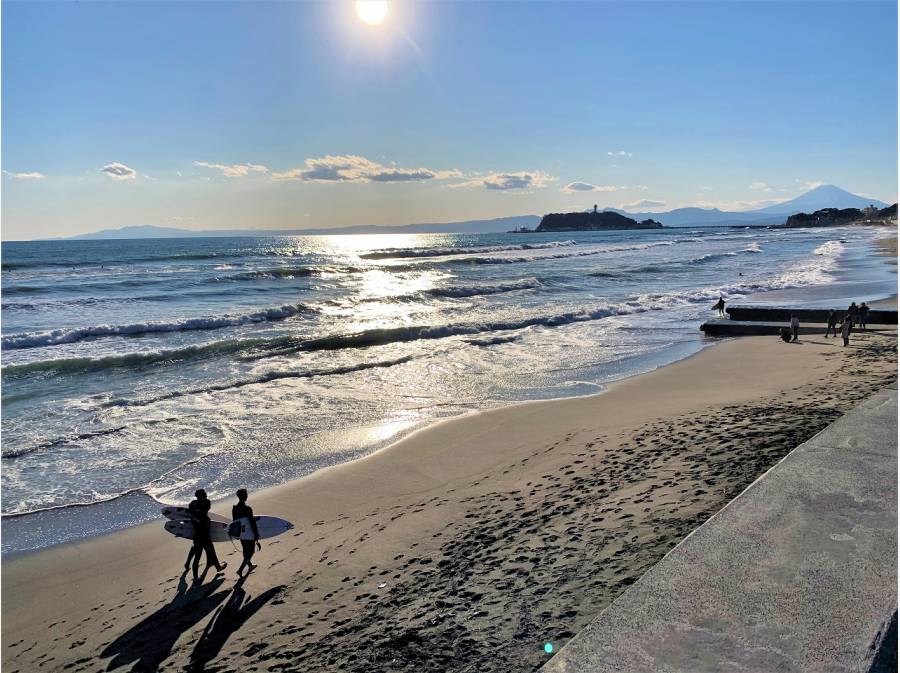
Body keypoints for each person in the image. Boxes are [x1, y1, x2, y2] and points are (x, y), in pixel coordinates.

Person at [189, 489, 227, 580]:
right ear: (201, 496)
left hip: (197, 534)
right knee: (210, 551)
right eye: (204, 494)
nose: (206, 495)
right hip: (204, 534)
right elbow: (205, 509)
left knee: (199, 555)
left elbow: (192, 512)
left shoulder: (192, 504)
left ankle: (196, 577)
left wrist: (196, 513)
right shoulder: (206, 502)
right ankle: (217, 567)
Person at [232, 488, 262, 577]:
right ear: (245, 496)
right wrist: (256, 534)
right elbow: (252, 522)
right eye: (246, 495)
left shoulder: (234, 509)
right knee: (251, 551)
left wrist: (237, 534)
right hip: (249, 532)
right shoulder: (247, 509)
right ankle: (240, 570)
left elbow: (235, 522)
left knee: (245, 550)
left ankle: (250, 565)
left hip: (241, 533)